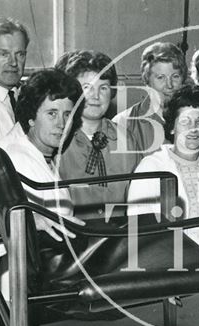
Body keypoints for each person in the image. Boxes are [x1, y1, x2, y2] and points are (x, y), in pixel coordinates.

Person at [127, 85, 199, 260]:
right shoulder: (151, 167)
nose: (193, 129)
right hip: (173, 273)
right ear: (172, 127)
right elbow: (139, 234)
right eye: (185, 122)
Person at [0, 68, 84, 240]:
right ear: (31, 117)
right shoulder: (19, 159)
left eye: (68, 114)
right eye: (52, 114)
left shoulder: (38, 150)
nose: (62, 124)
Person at [55, 50, 142, 218]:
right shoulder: (58, 140)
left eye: (103, 88)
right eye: (87, 87)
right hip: (73, 237)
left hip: (120, 236)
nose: (95, 96)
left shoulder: (126, 139)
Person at [113, 42, 186, 156]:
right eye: (160, 77)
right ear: (146, 79)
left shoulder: (196, 120)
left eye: (175, 76)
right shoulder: (123, 124)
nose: (170, 85)